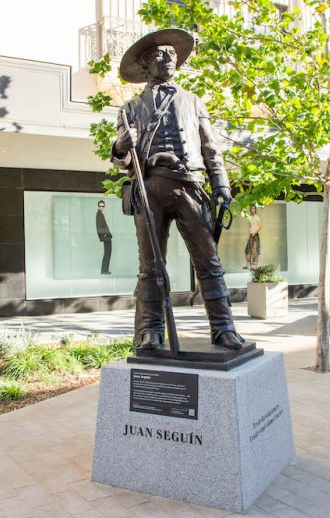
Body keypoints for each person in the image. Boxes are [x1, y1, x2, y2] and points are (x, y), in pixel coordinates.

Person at [111, 28, 245, 351]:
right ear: (145, 64)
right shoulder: (130, 110)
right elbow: (121, 159)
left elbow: (212, 149)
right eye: (160, 53)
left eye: (172, 53)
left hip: (191, 188)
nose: (168, 58)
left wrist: (221, 185)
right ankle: (151, 331)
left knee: (208, 261)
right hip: (150, 189)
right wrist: (120, 146)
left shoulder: (193, 102)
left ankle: (223, 327)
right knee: (150, 267)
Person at [96, 200, 112, 274]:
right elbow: (99, 226)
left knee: (107, 253)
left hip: (107, 236)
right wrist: (103, 235)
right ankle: (104, 270)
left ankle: (105, 270)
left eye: (103, 206)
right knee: (107, 253)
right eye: (100, 206)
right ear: (98, 206)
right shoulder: (99, 214)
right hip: (106, 237)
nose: (101, 207)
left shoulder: (100, 214)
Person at [244, 205, 262, 270]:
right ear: (250, 210)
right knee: (247, 250)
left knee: (255, 250)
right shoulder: (250, 217)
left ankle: (254, 266)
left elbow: (260, 226)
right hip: (251, 235)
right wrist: (249, 235)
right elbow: (250, 226)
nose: (252, 210)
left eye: (254, 209)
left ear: (255, 210)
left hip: (255, 235)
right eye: (251, 209)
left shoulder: (257, 217)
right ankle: (248, 265)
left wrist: (255, 232)